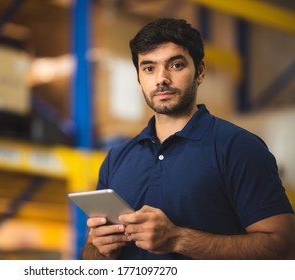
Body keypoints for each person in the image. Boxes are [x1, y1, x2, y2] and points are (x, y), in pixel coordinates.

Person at [81, 18, 295, 260]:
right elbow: (90, 254)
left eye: (175, 65)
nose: (161, 79)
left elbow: (283, 248)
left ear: (200, 71)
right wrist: (98, 248)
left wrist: (177, 238)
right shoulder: (117, 158)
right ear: (140, 78)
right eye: (149, 68)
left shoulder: (238, 147)